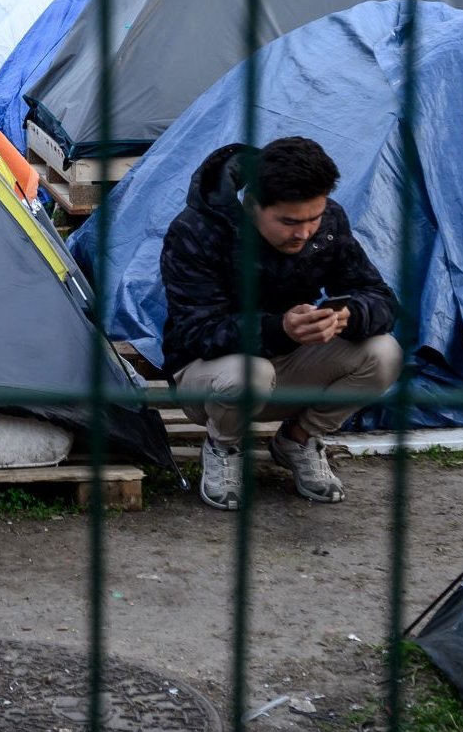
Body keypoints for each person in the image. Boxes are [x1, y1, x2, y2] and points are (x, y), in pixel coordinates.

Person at [159, 136, 403, 510]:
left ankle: (298, 440)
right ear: (252, 205)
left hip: (288, 364)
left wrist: (348, 315)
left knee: (384, 353)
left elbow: (380, 297)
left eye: (313, 219)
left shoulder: (329, 222)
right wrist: (279, 328)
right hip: (209, 376)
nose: (303, 233)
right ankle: (223, 446)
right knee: (249, 373)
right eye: (289, 222)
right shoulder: (198, 230)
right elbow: (196, 332)